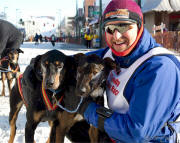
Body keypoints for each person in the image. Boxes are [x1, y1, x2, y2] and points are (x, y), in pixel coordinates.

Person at [66, 0, 180, 142]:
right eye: (110, 28)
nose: (116, 36)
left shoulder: (158, 69)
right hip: (118, 132)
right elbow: (71, 63)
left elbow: (136, 132)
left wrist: (86, 108)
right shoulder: (111, 54)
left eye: (123, 26)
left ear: (139, 26)